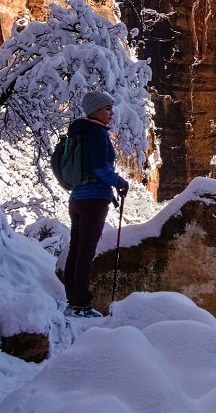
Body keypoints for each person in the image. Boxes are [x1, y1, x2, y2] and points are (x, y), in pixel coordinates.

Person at [63, 89, 130, 318]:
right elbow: (101, 168)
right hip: (93, 201)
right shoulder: (97, 134)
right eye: (107, 109)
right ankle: (81, 304)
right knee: (85, 253)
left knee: (76, 249)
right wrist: (120, 183)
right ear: (95, 111)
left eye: (111, 108)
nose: (111, 113)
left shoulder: (79, 132)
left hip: (77, 199)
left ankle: (72, 301)